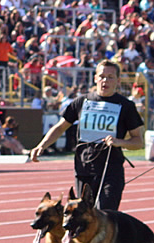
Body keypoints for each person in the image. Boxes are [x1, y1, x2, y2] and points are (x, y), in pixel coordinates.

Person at [29, 60, 144, 210]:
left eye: (110, 77)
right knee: (84, 217)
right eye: (102, 76)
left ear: (118, 80)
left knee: (105, 215)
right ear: (95, 78)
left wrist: (119, 142)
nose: (105, 81)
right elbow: (60, 127)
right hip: (84, 168)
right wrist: (41, 146)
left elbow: (138, 142)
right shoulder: (81, 102)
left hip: (111, 169)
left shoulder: (126, 106)